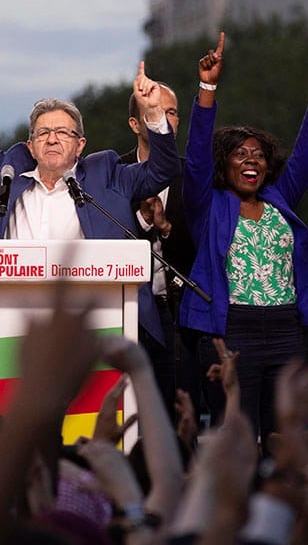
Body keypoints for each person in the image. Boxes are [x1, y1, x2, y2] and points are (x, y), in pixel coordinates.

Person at [0, 29, 179, 351]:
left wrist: (154, 115)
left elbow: (164, 170)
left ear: (80, 145)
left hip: (97, 320)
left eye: (62, 132)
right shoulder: (8, 173)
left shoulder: (108, 174)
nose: (52, 139)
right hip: (10, 320)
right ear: (30, 145)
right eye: (42, 133)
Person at [179, 33, 308, 448]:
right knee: (237, 435)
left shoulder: (280, 200)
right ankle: (232, 511)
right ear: (224, 164)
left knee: (289, 437)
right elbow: (195, 155)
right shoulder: (207, 205)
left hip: (287, 330)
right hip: (232, 331)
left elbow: (305, 153)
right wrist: (208, 87)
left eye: (259, 155)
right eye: (241, 154)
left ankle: (285, 511)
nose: (252, 160)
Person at [119, 83, 195, 419]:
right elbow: (107, 242)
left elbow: (203, 246)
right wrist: (142, 221)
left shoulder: (192, 174)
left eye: (171, 112)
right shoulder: (114, 174)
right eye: (153, 112)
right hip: (129, 314)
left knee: (182, 415)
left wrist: (165, 229)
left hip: (184, 317)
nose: (164, 119)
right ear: (135, 124)